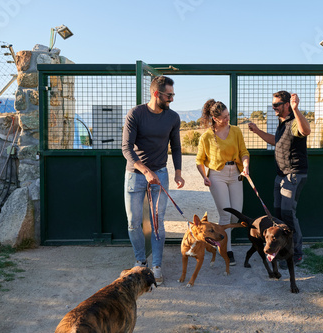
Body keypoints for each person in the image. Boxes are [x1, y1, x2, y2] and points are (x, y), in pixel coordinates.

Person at [122, 75, 185, 285]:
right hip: (135, 175)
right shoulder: (136, 114)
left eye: (173, 95)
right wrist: (144, 170)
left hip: (161, 175)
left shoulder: (173, 118)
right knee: (133, 223)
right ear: (156, 94)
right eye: (169, 95)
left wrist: (177, 172)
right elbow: (126, 148)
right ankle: (141, 262)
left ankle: (157, 266)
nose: (172, 99)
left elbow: (175, 147)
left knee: (157, 222)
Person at [248, 91, 310, 267]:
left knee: (289, 216)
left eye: (276, 105)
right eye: (273, 104)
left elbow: (306, 131)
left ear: (286, 105)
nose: (273, 107)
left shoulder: (293, 123)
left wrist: (297, 110)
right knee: (279, 218)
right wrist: (258, 131)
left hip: (294, 175)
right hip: (281, 176)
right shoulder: (282, 124)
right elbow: (276, 141)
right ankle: (282, 251)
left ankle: (296, 254)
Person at [196, 99, 250, 265]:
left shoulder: (235, 131)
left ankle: (223, 243)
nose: (228, 119)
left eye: (228, 116)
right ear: (215, 118)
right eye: (224, 117)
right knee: (225, 214)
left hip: (236, 174)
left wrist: (246, 166)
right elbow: (199, 160)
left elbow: (244, 152)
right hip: (217, 175)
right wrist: (204, 176)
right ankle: (227, 249)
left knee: (236, 214)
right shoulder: (206, 137)